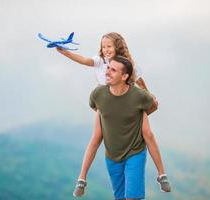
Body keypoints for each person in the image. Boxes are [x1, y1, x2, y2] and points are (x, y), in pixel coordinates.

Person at [56, 32, 171, 197]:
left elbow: (140, 82)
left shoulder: (128, 65)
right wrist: (65, 52)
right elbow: (84, 60)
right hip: (106, 105)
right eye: (103, 46)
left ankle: (162, 175)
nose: (106, 49)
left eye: (109, 46)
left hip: (130, 103)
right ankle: (82, 179)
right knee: (96, 138)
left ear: (117, 47)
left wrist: (146, 97)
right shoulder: (100, 62)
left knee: (147, 133)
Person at [89, 55, 166, 199]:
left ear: (124, 76)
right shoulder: (98, 94)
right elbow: (98, 109)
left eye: (113, 70)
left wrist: (135, 117)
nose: (107, 72)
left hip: (135, 150)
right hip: (113, 155)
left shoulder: (139, 96)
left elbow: (154, 104)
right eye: (108, 68)